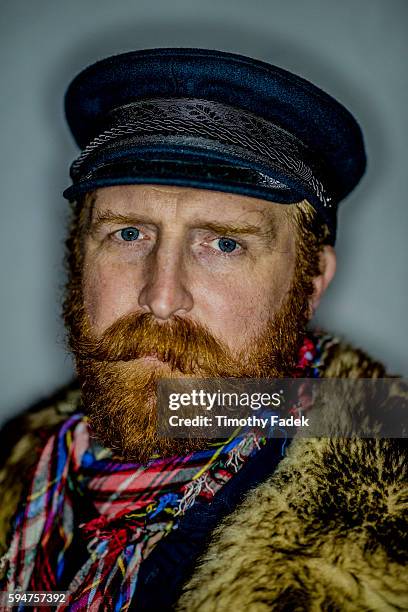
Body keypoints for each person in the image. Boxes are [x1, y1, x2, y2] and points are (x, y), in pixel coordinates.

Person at [0, 48, 406, 611]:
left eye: (224, 243)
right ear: (77, 253)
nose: (162, 298)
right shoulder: (22, 461)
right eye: (127, 235)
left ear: (310, 280)